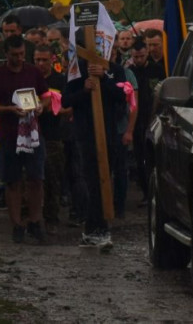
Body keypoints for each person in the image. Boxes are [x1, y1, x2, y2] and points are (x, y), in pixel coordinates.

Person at [0, 35, 50, 244]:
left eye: (22, 54)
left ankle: (35, 220)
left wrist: (41, 106)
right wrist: (9, 109)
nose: (19, 58)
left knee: (36, 178)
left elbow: (46, 95)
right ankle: (17, 223)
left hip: (33, 134)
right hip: (9, 135)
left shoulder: (33, 72)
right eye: (14, 55)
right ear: (6, 54)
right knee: (12, 181)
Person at [64, 29, 127, 249]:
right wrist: (84, 90)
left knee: (105, 178)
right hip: (84, 133)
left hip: (109, 133)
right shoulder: (76, 70)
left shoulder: (116, 71)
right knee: (91, 180)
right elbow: (65, 100)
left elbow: (122, 96)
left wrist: (103, 79)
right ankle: (94, 228)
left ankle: (100, 227)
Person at [33, 44, 70, 235]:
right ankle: (30, 218)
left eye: (44, 60)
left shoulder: (60, 80)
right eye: (37, 60)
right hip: (30, 135)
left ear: (52, 60)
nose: (40, 63)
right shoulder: (28, 79)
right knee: (30, 180)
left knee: (53, 179)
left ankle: (51, 218)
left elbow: (70, 107)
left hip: (53, 136)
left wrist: (53, 109)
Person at [128, 39, 160, 205]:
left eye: (141, 56)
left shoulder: (157, 70)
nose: (138, 60)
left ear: (146, 52)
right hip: (138, 121)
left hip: (154, 119)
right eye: (135, 57)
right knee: (140, 157)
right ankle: (146, 192)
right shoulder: (130, 72)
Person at [110, 38, 138, 219]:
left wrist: (129, 130)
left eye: (112, 51)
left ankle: (119, 206)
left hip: (120, 129)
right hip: (101, 129)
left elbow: (134, 105)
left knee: (120, 170)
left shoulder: (127, 74)